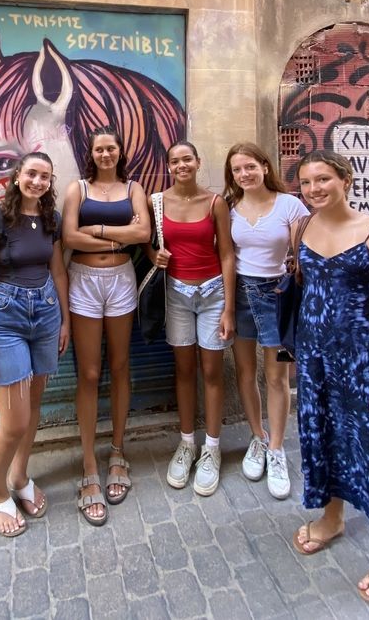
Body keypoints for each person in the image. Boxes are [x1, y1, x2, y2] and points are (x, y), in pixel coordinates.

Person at [292, 149, 369, 606]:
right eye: (306, 183)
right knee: (322, 435)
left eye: (323, 179)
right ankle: (332, 517)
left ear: (344, 178)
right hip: (314, 359)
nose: (314, 189)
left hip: (365, 362)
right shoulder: (302, 227)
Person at [0, 152, 70, 538]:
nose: (38, 182)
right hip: (3, 322)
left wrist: (65, 321)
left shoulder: (51, 220)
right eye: (31, 174)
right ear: (17, 176)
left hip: (45, 317)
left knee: (33, 409)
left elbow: (58, 271)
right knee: (14, 422)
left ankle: (20, 476)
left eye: (45, 176)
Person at [62, 126, 151, 526]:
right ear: (91, 153)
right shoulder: (76, 190)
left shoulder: (135, 188)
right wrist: (118, 238)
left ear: (120, 151)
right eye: (99, 148)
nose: (105, 154)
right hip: (82, 282)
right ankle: (88, 465)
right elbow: (68, 238)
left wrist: (94, 231)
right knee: (90, 373)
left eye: (111, 147)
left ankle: (117, 452)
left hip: (120, 282)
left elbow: (144, 233)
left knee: (119, 367)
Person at [145, 140, 235, 496]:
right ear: (168, 166)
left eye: (187, 159)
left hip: (213, 293)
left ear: (198, 162)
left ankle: (211, 448)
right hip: (176, 295)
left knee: (212, 371)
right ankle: (187, 443)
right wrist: (154, 254)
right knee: (183, 370)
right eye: (174, 161)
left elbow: (227, 254)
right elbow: (144, 244)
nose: (181, 165)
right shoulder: (156, 202)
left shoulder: (216, 203)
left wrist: (229, 306)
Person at [224, 142, 309, 499]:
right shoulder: (229, 208)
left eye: (249, 167)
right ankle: (256, 437)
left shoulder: (290, 204)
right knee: (245, 372)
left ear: (264, 166)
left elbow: (304, 255)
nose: (244, 174)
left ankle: (276, 448)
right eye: (237, 170)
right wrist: (227, 307)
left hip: (276, 294)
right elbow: (227, 257)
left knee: (276, 377)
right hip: (242, 293)